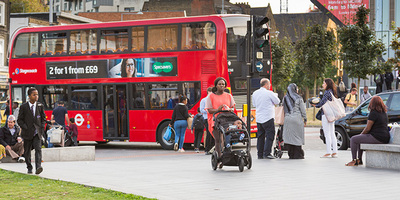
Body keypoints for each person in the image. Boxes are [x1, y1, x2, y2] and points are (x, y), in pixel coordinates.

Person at [346, 96, 390, 166]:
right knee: (360, 139)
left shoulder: (373, 113)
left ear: (372, 104)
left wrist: (361, 135)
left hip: (377, 137)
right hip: (385, 137)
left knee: (353, 139)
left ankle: (354, 160)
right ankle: (359, 160)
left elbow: (367, 129)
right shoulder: (384, 113)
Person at [205, 77, 235, 165]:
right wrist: (218, 109)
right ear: (216, 85)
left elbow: (232, 108)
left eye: (223, 84)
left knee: (225, 139)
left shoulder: (229, 96)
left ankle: (225, 155)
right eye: (220, 84)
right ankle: (219, 156)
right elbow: (209, 110)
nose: (221, 86)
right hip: (215, 119)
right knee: (218, 139)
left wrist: (230, 109)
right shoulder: (211, 96)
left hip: (226, 119)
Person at [17, 87, 46, 174]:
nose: (36, 96)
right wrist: (25, 127)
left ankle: (38, 167)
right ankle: (29, 167)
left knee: (38, 149)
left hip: (37, 132)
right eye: (34, 95)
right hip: (27, 133)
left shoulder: (40, 106)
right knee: (27, 151)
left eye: (37, 94)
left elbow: (43, 118)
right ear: (29, 96)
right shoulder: (23, 107)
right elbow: (19, 120)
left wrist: (41, 127)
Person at [252, 78, 280, 159]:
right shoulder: (269, 93)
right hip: (268, 117)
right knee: (270, 135)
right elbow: (277, 101)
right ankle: (267, 153)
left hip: (259, 118)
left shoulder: (255, 93)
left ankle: (259, 154)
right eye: (269, 84)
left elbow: (254, 104)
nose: (270, 86)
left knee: (260, 136)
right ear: (266, 85)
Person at [313, 78, 338, 158]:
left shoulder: (327, 92)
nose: (322, 85)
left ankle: (328, 152)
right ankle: (334, 151)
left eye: (324, 83)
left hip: (326, 114)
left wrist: (315, 105)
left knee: (327, 133)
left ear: (327, 84)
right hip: (332, 114)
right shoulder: (332, 92)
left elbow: (322, 102)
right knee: (332, 133)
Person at [282, 83, 307, 159]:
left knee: (290, 137)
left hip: (287, 119)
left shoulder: (285, 98)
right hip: (296, 119)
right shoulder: (299, 98)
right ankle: (298, 154)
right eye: (297, 88)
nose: (298, 90)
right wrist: (305, 119)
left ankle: (291, 154)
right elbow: (303, 110)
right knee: (297, 137)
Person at [200, 87, 214, 155]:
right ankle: (207, 149)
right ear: (208, 92)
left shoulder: (213, 99)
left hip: (213, 118)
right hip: (206, 118)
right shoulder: (204, 100)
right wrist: (208, 111)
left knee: (214, 133)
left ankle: (213, 148)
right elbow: (201, 110)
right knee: (209, 133)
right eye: (210, 92)